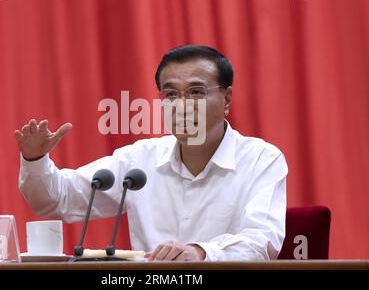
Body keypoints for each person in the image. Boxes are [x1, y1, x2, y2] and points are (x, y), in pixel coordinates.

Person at [15, 45, 288, 261]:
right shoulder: (139, 160)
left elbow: (261, 240)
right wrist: (35, 160)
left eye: (195, 92)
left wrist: (201, 252)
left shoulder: (261, 160)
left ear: (227, 98)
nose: (181, 106)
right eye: (170, 95)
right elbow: (58, 199)